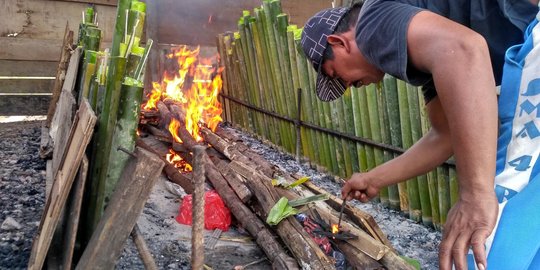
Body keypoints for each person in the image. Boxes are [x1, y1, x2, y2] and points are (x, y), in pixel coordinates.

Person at [301, 1, 539, 269]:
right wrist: (373, 178)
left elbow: (463, 49)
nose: (348, 87)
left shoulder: (370, 23)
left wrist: (475, 194)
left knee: (488, 249)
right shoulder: (423, 51)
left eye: (336, 75)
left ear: (340, 43)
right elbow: (444, 135)